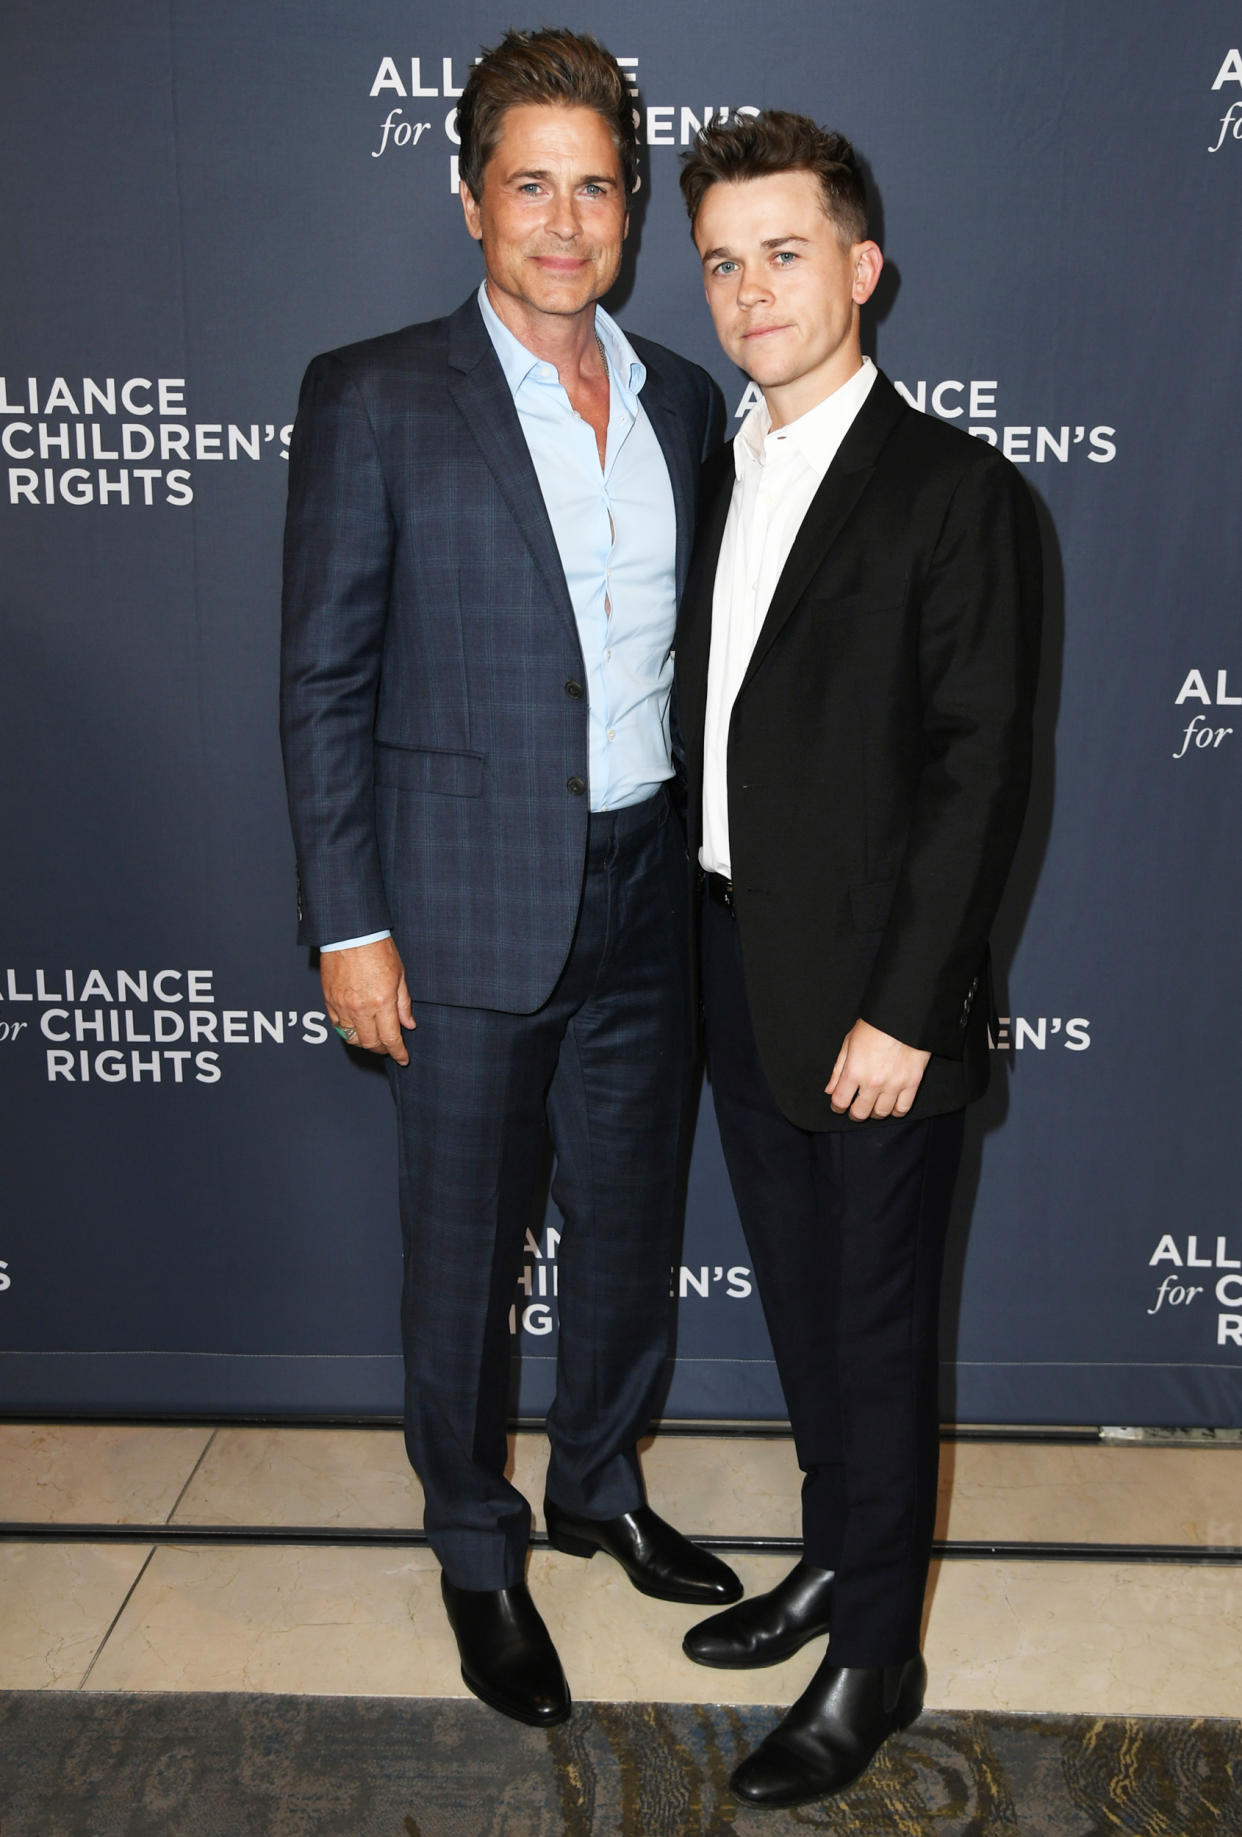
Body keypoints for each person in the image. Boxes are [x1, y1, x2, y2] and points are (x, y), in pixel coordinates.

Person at [279, 27, 739, 1731]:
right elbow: (323, 679)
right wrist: (348, 917)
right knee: (463, 1260)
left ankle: (598, 1484)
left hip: (643, 888)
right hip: (457, 898)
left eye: (595, 186)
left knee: (627, 1224)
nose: (563, 220)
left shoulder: (685, 400)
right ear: (469, 194)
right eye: (528, 184)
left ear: (630, 203)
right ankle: (475, 1547)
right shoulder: (375, 390)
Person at [673, 112, 1042, 1806]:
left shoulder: (959, 493)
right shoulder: (714, 461)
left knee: (881, 1334)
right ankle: (834, 1555)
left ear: (861, 268)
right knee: (812, 1317)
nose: (751, 291)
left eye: (785, 253)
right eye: (724, 262)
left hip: (874, 1010)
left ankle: (874, 1651)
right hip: (733, 968)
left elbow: (980, 772)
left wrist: (909, 1006)